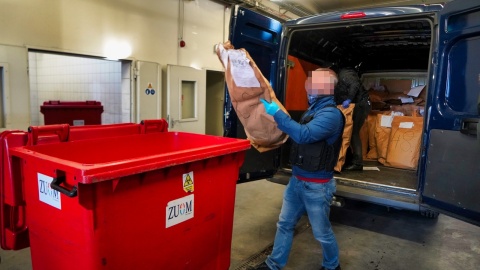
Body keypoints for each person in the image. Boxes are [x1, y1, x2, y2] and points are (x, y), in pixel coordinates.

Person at [250, 68, 344, 270]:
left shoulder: (332, 115)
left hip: (317, 187)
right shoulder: (313, 111)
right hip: (297, 181)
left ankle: (332, 266)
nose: (311, 85)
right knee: (284, 224)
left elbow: (303, 135)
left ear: (329, 88)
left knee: (321, 232)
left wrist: (276, 113)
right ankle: (274, 264)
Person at [334, 67, 371, 171]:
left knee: (353, 132)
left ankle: (357, 163)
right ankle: (349, 159)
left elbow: (354, 85)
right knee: (349, 132)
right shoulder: (340, 77)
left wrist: (349, 99)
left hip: (360, 105)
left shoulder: (345, 74)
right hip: (355, 105)